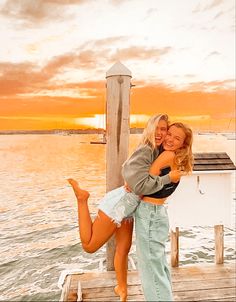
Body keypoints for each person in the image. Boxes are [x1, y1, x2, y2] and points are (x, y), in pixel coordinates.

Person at [67, 114, 182, 302]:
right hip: (118, 205)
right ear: (150, 128)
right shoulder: (147, 149)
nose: (162, 133)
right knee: (89, 246)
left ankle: (122, 288)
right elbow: (136, 179)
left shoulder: (157, 150)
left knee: (123, 248)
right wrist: (163, 179)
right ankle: (82, 199)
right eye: (158, 128)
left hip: (129, 207)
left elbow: (127, 167)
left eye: (165, 129)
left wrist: (133, 179)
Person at [134, 122, 194, 301]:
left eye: (177, 138)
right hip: (158, 212)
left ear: (183, 144)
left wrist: (131, 186)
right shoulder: (177, 158)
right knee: (158, 266)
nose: (170, 139)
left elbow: (146, 182)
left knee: (150, 270)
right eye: (169, 134)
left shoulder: (166, 155)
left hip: (149, 213)